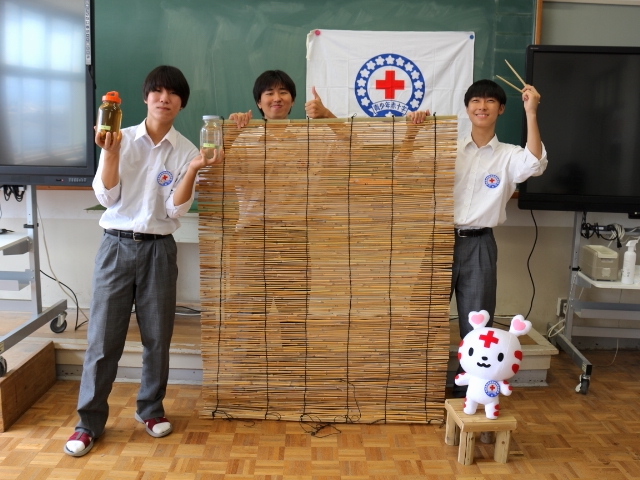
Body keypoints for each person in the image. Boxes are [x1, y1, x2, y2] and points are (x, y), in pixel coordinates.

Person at [64, 65, 223, 457]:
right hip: (116, 246)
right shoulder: (120, 137)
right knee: (103, 339)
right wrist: (110, 152)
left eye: (173, 94)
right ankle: (88, 423)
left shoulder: (187, 150)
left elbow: (174, 210)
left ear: (182, 103)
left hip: (158, 250)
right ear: (146, 97)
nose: (164, 99)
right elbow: (107, 196)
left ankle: (150, 409)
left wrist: (194, 170)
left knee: (157, 337)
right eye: (158, 91)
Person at [451, 79, 546, 399]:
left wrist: (531, 112)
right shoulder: (448, 148)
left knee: (476, 321)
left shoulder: (509, 155)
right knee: (426, 316)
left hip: (480, 242)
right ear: (467, 108)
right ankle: (424, 384)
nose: (482, 106)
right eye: (476, 101)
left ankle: (471, 391)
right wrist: (414, 130)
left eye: (490, 101)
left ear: (501, 109)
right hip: (438, 241)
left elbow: (535, 164)